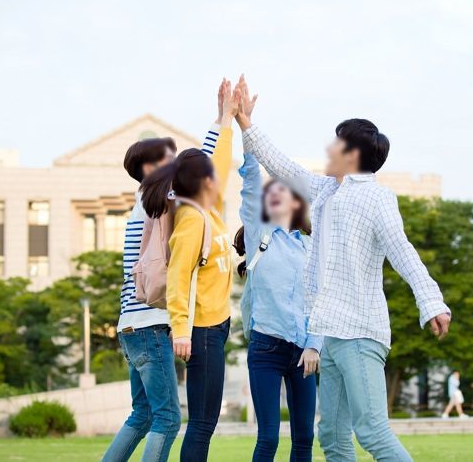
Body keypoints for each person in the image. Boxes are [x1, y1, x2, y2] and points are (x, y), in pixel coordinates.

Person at [234, 76, 452, 462]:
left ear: (350, 153)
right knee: (332, 437)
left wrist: (431, 301)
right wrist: (246, 124)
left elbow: (402, 250)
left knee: (371, 431)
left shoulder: (377, 197)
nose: (328, 147)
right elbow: (281, 164)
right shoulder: (324, 192)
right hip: (331, 336)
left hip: (361, 333)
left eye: (336, 142)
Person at [102, 81, 229, 462]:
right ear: (150, 168)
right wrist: (222, 121)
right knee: (168, 419)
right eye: (168, 159)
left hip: (129, 325)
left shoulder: (144, 205)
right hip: (151, 324)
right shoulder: (155, 198)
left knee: (142, 415)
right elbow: (199, 167)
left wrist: (221, 120)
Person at [141, 82, 238, 462]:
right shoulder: (191, 219)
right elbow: (179, 277)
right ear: (202, 183)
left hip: (216, 324)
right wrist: (181, 329)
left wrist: (225, 119)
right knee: (202, 421)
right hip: (200, 330)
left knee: (204, 420)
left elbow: (222, 162)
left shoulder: (207, 208)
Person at [233, 147, 323, 461]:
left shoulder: (311, 246)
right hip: (266, 347)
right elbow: (251, 182)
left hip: (304, 352)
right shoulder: (260, 234)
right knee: (268, 437)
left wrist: (314, 344)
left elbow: (320, 299)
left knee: (304, 438)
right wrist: (247, 130)